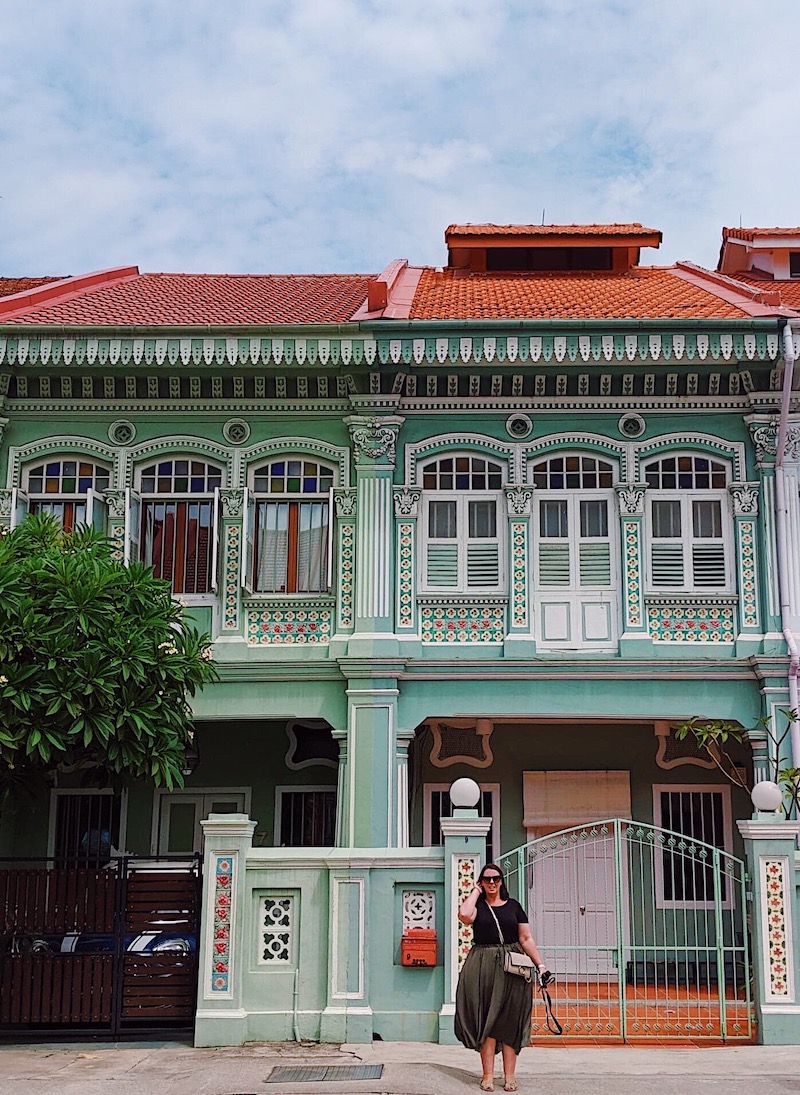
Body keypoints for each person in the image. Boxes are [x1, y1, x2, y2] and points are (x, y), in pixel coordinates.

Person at [455, 863, 549, 1092]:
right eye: (486, 879)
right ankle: (487, 1075)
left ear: (502, 881)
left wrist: (541, 965)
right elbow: (464, 916)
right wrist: (476, 891)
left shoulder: (514, 907)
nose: (491, 883)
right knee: (488, 1020)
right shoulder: (477, 906)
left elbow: (525, 938)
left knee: (510, 1021)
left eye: (495, 878)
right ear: (481, 881)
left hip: (513, 967)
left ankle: (509, 1076)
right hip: (483, 966)